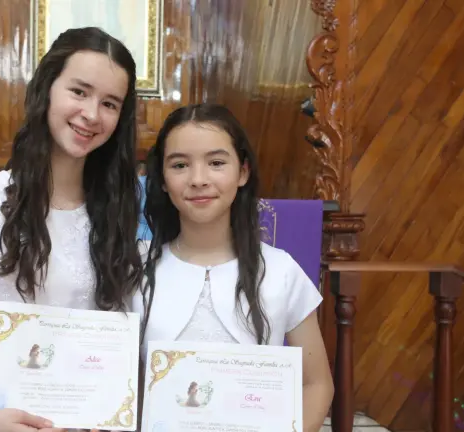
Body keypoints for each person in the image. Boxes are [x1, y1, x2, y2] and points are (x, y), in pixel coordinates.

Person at [0, 27, 143, 432]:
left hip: (78, 415)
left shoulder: (121, 211)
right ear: (47, 88)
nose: (92, 114)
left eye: (110, 103)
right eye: (79, 91)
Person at [133, 103, 334, 431]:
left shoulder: (281, 271)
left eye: (215, 163)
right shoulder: (137, 270)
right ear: (164, 180)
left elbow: (317, 384)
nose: (198, 179)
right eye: (180, 164)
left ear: (242, 171)